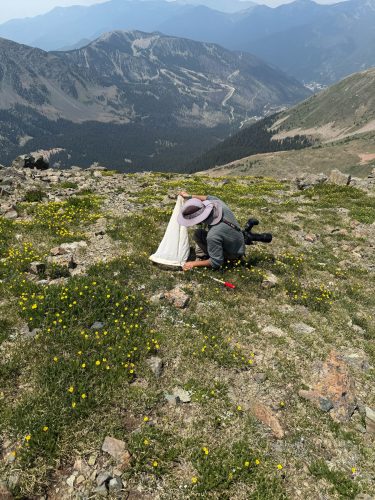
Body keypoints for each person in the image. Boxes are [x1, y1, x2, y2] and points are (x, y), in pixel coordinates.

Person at [177, 191, 245, 271]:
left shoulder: (213, 235)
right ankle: (204, 256)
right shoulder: (219, 204)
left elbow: (216, 262)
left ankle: (203, 258)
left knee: (198, 235)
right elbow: (208, 197)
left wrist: (193, 264)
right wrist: (189, 196)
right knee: (199, 233)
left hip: (233, 254)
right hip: (238, 245)